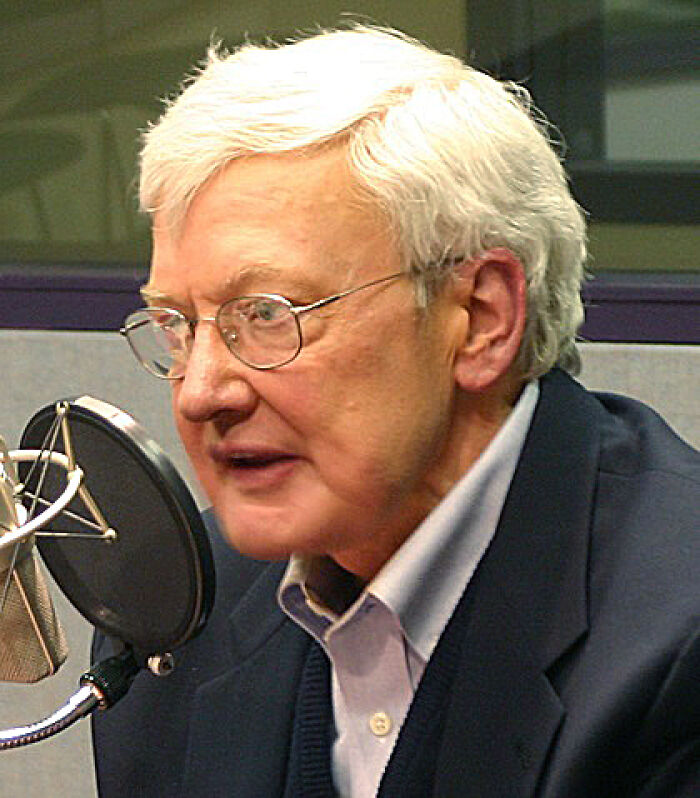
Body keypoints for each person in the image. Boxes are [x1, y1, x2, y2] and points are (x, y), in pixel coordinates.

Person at [92, 25, 700, 797]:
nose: (200, 390)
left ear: (480, 318)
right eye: (179, 324)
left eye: (270, 313)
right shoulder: (175, 620)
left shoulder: (678, 644)